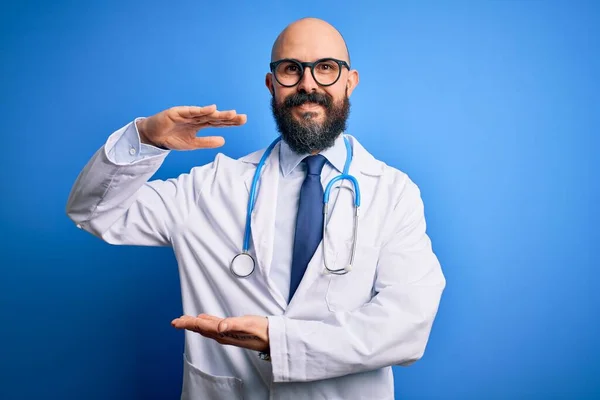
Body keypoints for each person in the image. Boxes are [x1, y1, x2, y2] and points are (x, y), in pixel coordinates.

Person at [66, 17, 446, 400]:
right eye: (290, 69)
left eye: (326, 68)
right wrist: (146, 140)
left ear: (350, 81)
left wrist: (277, 340)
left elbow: (406, 325)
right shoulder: (211, 187)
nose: (308, 84)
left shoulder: (393, 193)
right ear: (271, 84)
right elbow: (94, 213)